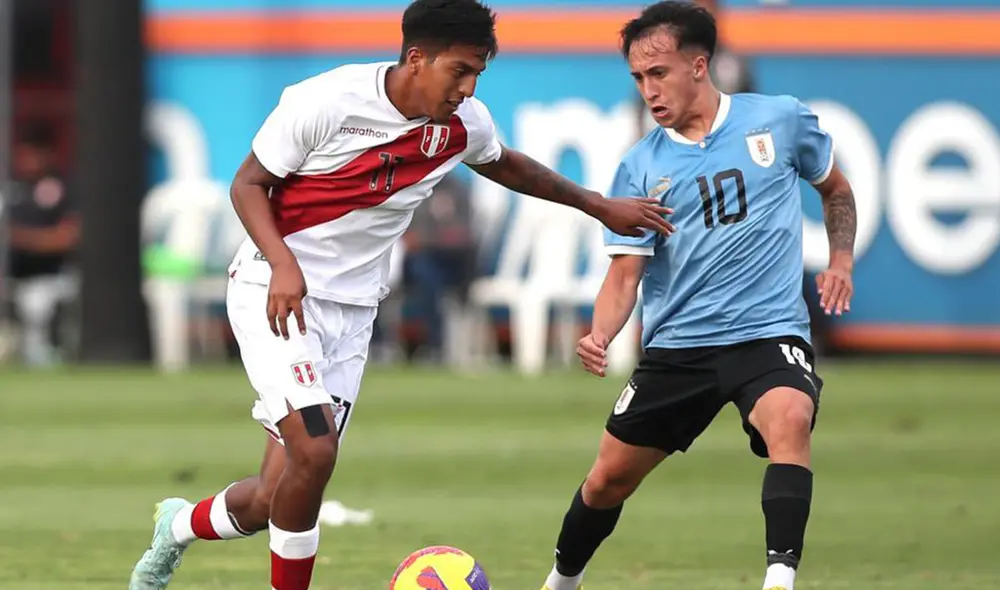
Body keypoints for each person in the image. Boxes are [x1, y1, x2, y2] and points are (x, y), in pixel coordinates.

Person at [127, 0, 673, 588]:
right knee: (316, 455)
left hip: (353, 311)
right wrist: (283, 262)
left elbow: (507, 164)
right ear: (417, 58)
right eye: (458, 71)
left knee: (274, 495)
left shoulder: (464, 123)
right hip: (275, 293)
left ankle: (178, 526)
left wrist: (598, 206)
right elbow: (248, 184)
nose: (467, 88)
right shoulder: (326, 102)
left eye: (477, 75)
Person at [538, 3, 856, 590]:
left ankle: (779, 579)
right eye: (637, 78)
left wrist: (840, 259)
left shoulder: (780, 121)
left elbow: (835, 188)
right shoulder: (639, 169)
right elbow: (624, 277)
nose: (648, 91)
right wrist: (600, 333)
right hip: (679, 349)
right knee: (607, 480)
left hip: (768, 333)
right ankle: (560, 581)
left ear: (699, 65)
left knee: (790, 417)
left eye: (657, 73)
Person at [3, 122, 80, 367]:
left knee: (38, 300)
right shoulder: (12, 189)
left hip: (50, 275)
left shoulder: (64, 189)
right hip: (9, 274)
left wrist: (21, 238)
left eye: (33, 153)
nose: (27, 160)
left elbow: (68, 236)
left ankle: (44, 350)